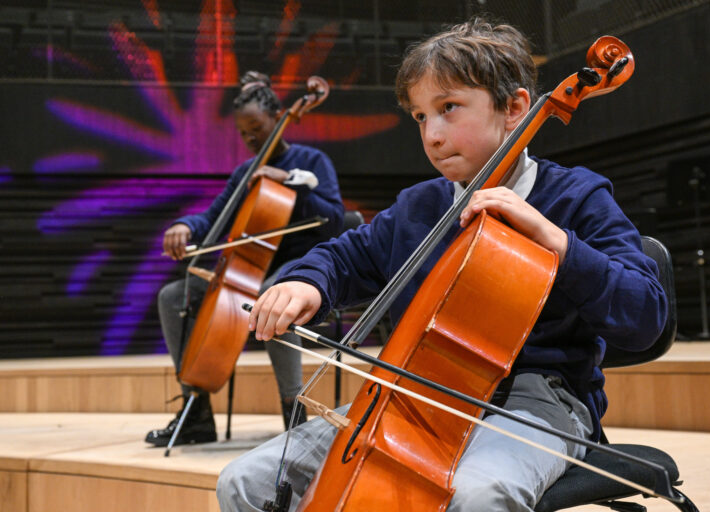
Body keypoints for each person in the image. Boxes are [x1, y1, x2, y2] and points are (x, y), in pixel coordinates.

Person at [217, 18, 666, 512]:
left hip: (538, 401)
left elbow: (644, 315)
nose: (431, 134)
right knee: (244, 481)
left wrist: (557, 242)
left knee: (476, 494)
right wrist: (306, 283)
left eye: (448, 108)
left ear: (514, 108)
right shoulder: (419, 207)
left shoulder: (576, 197)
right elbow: (345, 256)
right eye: (419, 116)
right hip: (417, 397)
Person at [145, 71, 345, 447]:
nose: (252, 139)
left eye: (257, 128)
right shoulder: (245, 173)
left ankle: (295, 411)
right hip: (249, 269)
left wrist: (291, 181)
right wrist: (185, 225)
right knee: (172, 296)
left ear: (278, 118)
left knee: (275, 294)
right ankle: (196, 413)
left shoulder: (311, 160)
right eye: (244, 133)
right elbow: (212, 219)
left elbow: (334, 218)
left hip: (303, 265)